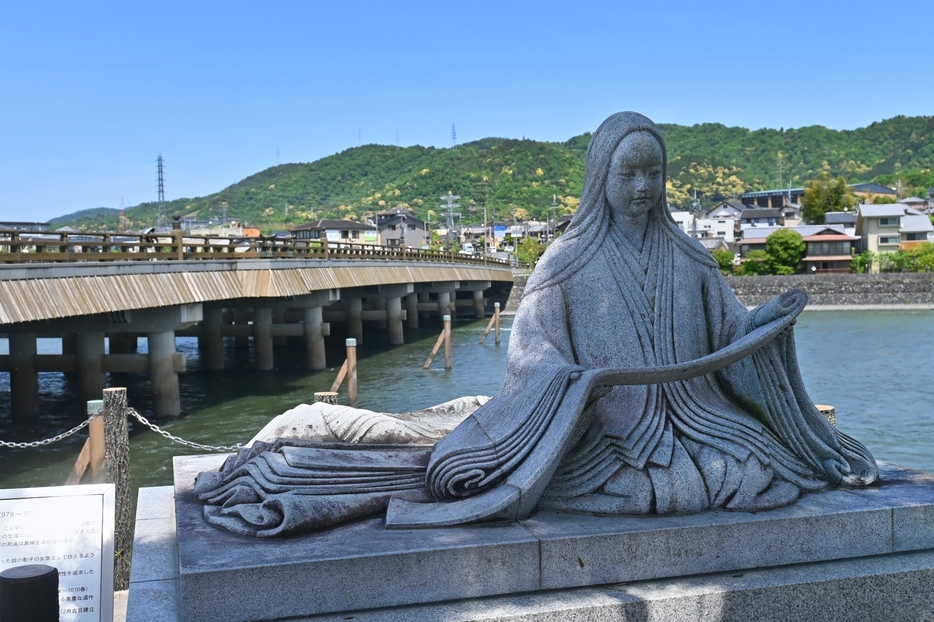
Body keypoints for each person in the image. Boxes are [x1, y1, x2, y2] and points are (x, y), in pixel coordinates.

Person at [196, 112, 878, 537]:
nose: (643, 187)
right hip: (600, 433)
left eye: (654, 174)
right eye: (628, 172)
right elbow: (532, 359)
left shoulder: (692, 257)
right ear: (600, 178)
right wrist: (574, 385)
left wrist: (766, 320)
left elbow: (728, 337)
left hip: (697, 423)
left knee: (759, 468)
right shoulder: (564, 263)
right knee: (649, 484)